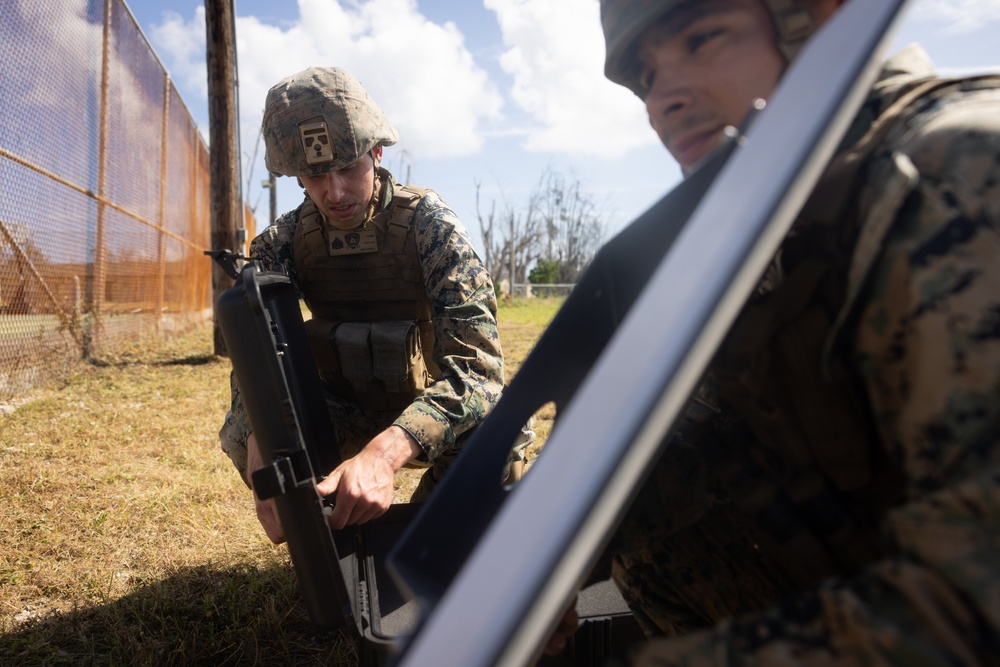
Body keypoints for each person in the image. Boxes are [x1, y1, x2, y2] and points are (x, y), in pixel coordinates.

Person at [549, 0, 1000, 663]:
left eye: (701, 39)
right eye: (647, 77)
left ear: (818, 21)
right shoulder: (786, 203)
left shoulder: (954, 173)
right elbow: (701, 440)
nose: (662, 102)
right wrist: (546, 572)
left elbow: (979, 598)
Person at [219, 66, 528, 543]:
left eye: (347, 166)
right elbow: (253, 359)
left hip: (427, 408)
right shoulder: (283, 241)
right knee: (249, 432)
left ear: (376, 152)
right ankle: (330, 533)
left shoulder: (432, 228)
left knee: (499, 437)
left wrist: (384, 454)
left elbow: (477, 374)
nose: (334, 192)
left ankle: (430, 536)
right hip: (340, 411)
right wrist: (264, 436)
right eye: (315, 174)